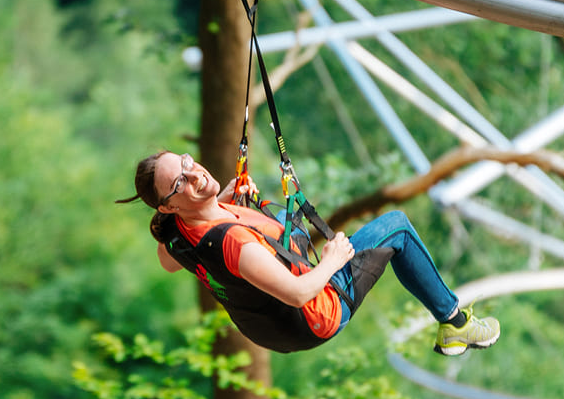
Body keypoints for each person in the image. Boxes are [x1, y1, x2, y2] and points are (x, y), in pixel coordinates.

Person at [117, 150, 500, 355]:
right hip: (315, 315)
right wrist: (333, 258)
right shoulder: (234, 243)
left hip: (271, 329)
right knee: (397, 226)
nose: (195, 174)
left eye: (186, 163)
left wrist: (220, 199)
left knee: (281, 216)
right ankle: (455, 323)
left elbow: (166, 261)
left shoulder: (179, 236)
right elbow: (298, 294)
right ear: (168, 206)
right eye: (180, 182)